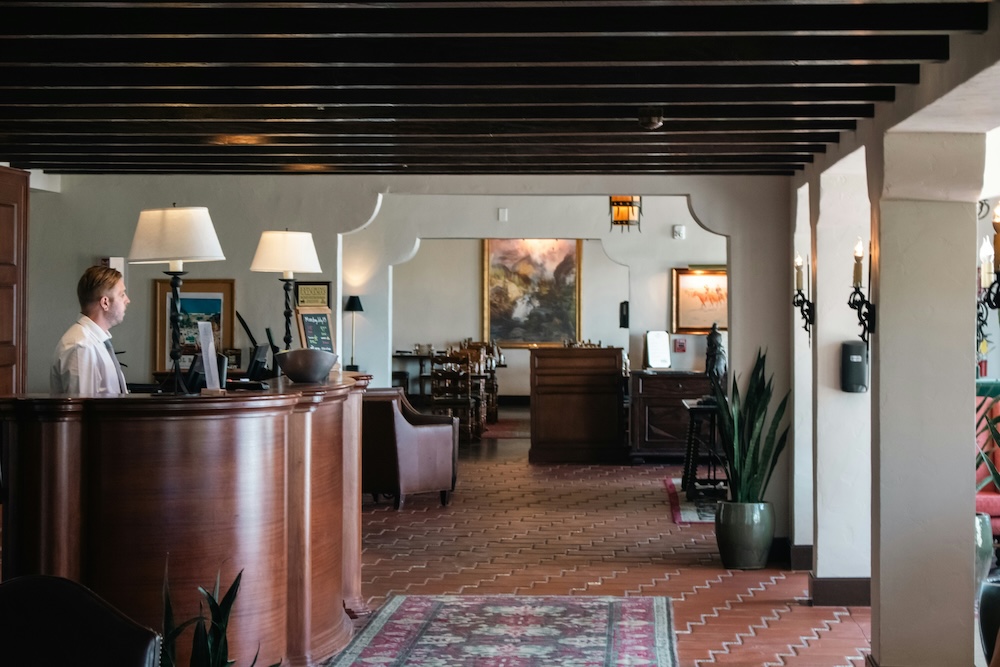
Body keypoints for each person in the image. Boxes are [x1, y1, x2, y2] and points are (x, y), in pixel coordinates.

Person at [50, 265, 131, 395]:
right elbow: (83, 404)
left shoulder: (95, 342)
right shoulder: (81, 347)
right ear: (105, 303)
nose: (127, 300)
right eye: (122, 294)